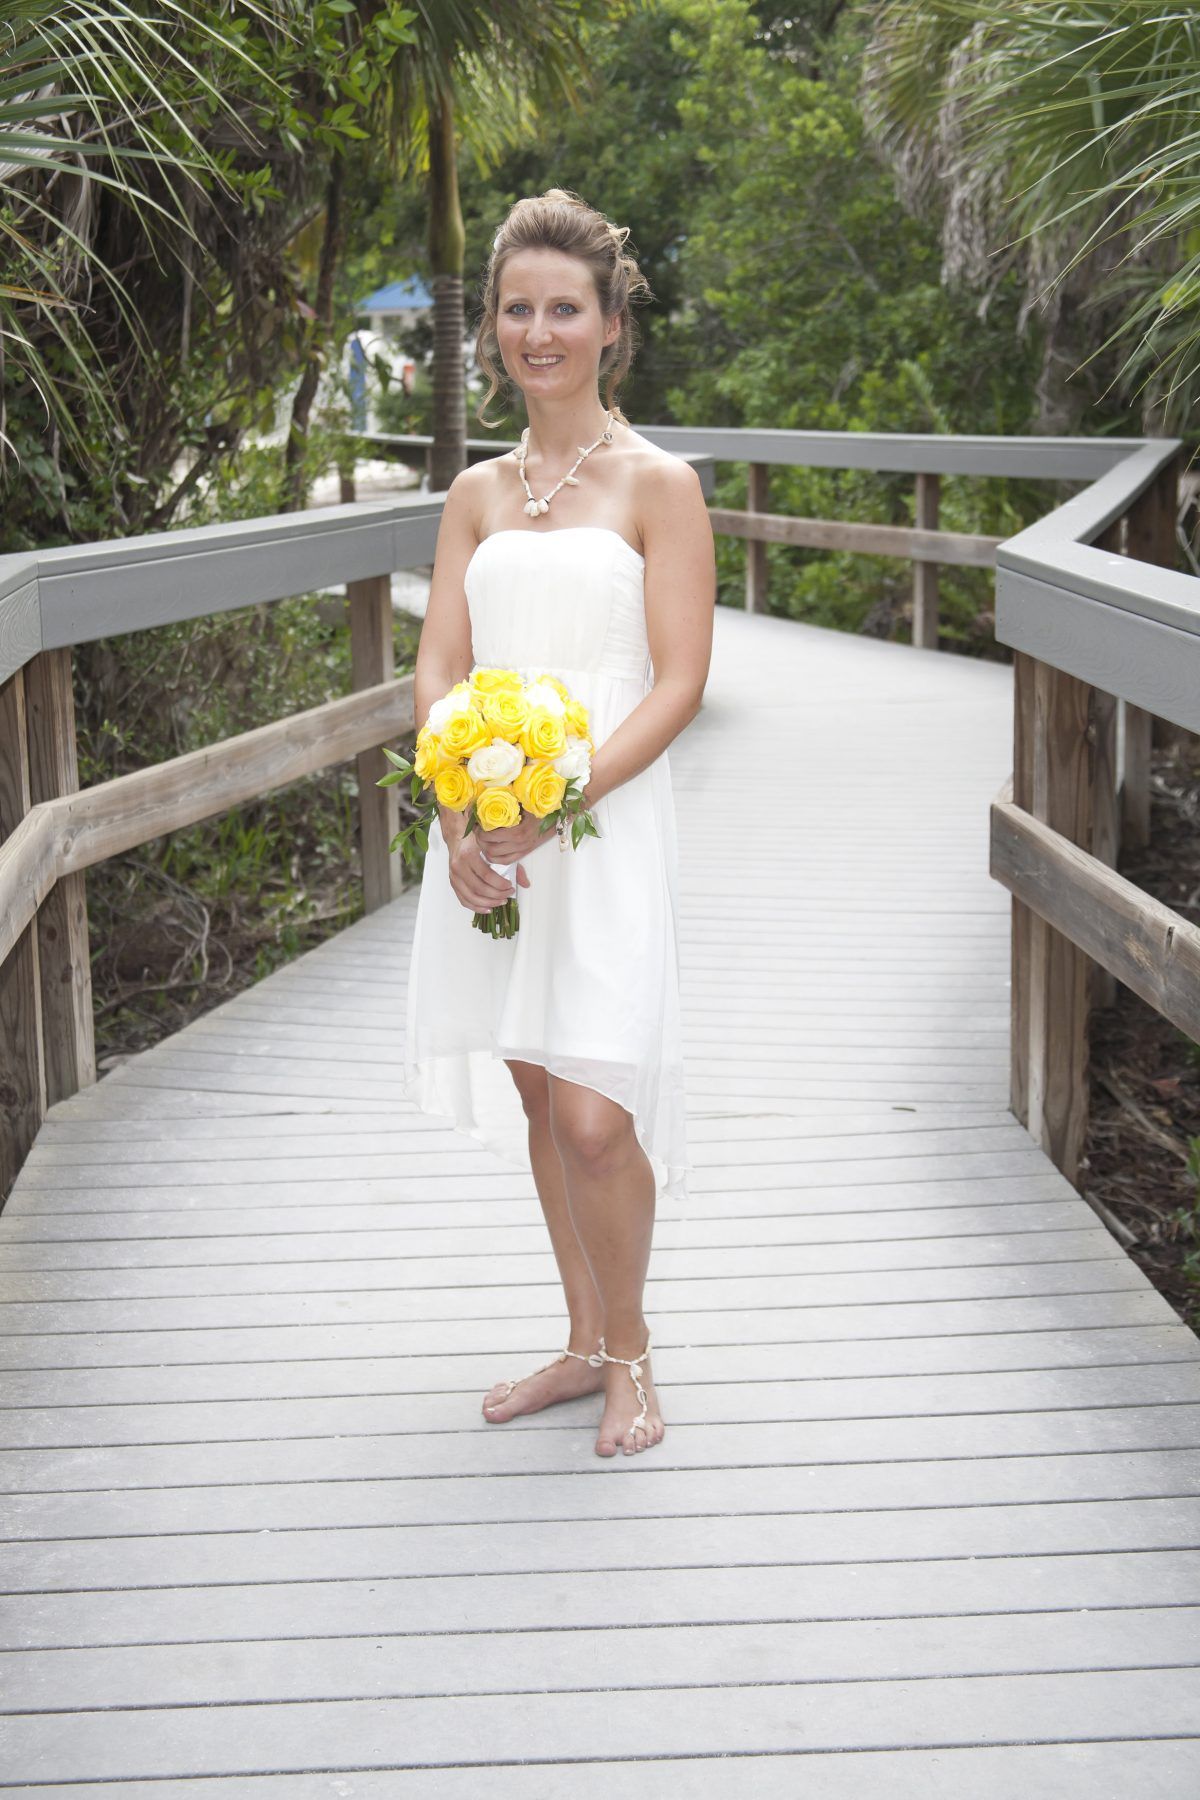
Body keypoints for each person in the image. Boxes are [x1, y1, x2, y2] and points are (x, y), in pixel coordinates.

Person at [402, 188, 714, 1457]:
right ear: (492, 328)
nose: (540, 331)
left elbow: (683, 680)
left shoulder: (660, 484)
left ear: (609, 325)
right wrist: (465, 805)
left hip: (603, 826)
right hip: (485, 831)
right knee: (537, 1091)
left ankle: (636, 1350)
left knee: (596, 1110)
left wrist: (558, 800)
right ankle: (581, 1344)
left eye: (564, 310)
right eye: (517, 309)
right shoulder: (475, 492)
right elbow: (436, 667)